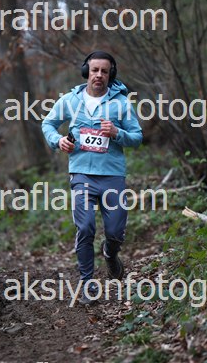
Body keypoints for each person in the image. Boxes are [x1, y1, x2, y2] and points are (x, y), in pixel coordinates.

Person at [41, 51, 143, 305]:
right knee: (85, 227)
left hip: (112, 175)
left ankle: (110, 254)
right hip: (82, 175)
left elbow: (137, 137)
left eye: (104, 71)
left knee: (115, 231)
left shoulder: (122, 104)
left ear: (111, 75)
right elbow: (48, 124)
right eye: (95, 70)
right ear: (86, 71)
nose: (99, 75)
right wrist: (58, 141)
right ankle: (87, 284)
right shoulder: (70, 100)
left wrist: (117, 133)